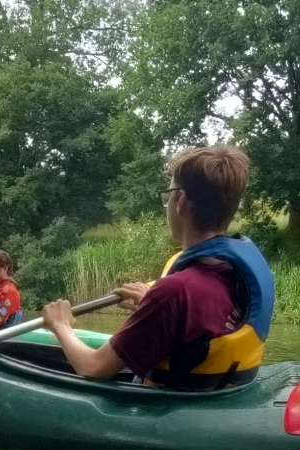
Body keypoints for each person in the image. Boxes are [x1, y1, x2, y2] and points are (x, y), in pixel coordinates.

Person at [41, 144, 275, 388]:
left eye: (169, 194)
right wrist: (152, 307)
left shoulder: (173, 294)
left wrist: (61, 324)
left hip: (166, 413)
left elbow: (92, 368)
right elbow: (199, 327)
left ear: (181, 200)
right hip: (217, 396)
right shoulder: (232, 275)